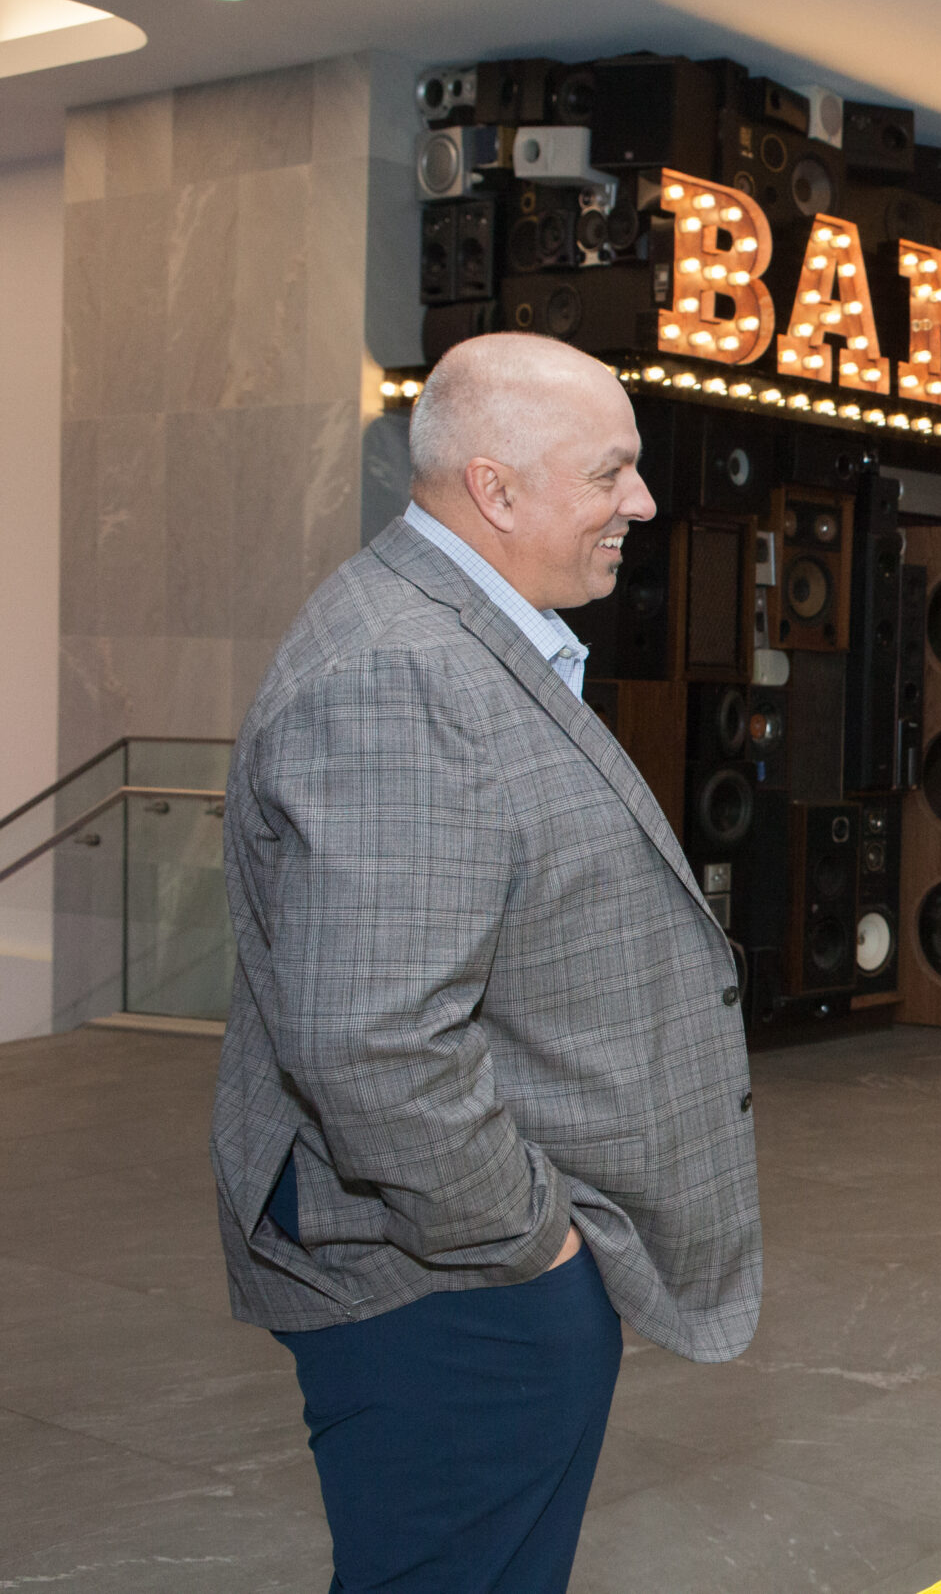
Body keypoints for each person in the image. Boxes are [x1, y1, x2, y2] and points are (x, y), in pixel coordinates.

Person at [213, 333, 761, 1591]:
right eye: (610, 472)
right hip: (446, 1281)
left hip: (468, 1274)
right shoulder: (400, 673)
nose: (643, 502)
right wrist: (529, 1243)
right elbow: (371, 1039)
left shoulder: (462, 635)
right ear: (495, 491)